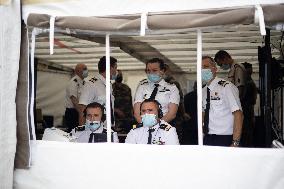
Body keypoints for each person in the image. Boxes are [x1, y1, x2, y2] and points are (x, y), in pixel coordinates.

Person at [202, 56, 243, 147]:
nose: (202, 70)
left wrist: (235, 142)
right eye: (200, 68)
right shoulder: (203, 91)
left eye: (205, 67)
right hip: (207, 138)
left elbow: (238, 114)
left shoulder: (226, 87)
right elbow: (203, 114)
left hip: (225, 138)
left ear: (215, 69)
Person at [133, 58, 180, 125]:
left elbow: (172, 114)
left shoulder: (172, 88)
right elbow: (136, 113)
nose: (151, 73)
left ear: (162, 71)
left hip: (164, 126)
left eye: (154, 70)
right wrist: (144, 125)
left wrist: (157, 126)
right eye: (148, 71)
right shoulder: (142, 87)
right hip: (144, 127)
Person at [78, 56, 117, 126]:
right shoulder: (91, 85)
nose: (116, 71)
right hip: (95, 129)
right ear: (110, 68)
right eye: (115, 67)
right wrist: (82, 132)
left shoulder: (109, 85)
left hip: (108, 127)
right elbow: (82, 109)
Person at [64, 63, 88, 132]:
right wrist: (82, 113)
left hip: (80, 112)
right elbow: (74, 100)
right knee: (74, 134)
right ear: (77, 71)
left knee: (81, 133)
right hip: (73, 112)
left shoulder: (84, 82)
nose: (86, 71)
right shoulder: (73, 82)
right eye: (84, 69)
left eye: (86, 68)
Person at [241, 62, 257, 147]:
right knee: (247, 134)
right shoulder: (246, 82)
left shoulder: (248, 82)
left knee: (247, 134)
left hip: (247, 112)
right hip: (247, 112)